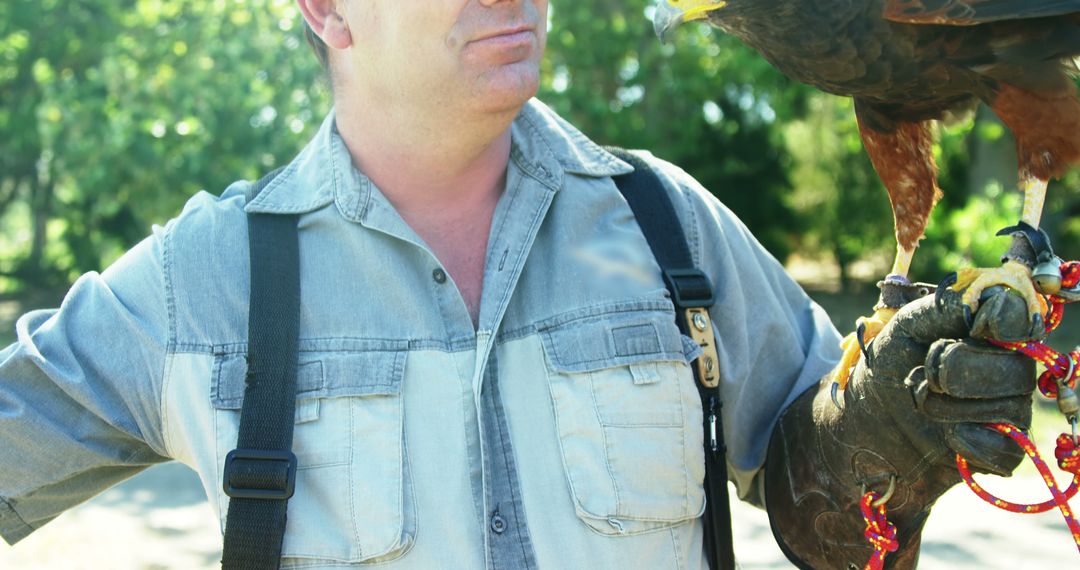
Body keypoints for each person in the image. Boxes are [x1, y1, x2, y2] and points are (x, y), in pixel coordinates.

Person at [0, 1, 1037, 568]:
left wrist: (883, 439)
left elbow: (824, 516)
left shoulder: (668, 223)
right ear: (325, 9)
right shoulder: (202, 282)